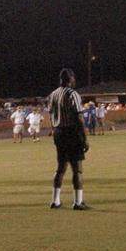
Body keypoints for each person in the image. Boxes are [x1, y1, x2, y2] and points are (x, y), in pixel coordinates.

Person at [48, 68, 89, 210]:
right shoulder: (73, 94)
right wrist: (84, 137)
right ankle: (78, 202)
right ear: (70, 78)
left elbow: (50, 116)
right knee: (77, 169)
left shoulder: (53, 94)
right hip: (71, 132)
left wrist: (54, 131)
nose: (75, 80)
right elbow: (79, 117)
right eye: (73, 78)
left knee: (60, 168)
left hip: (58, 132)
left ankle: (55, 200)